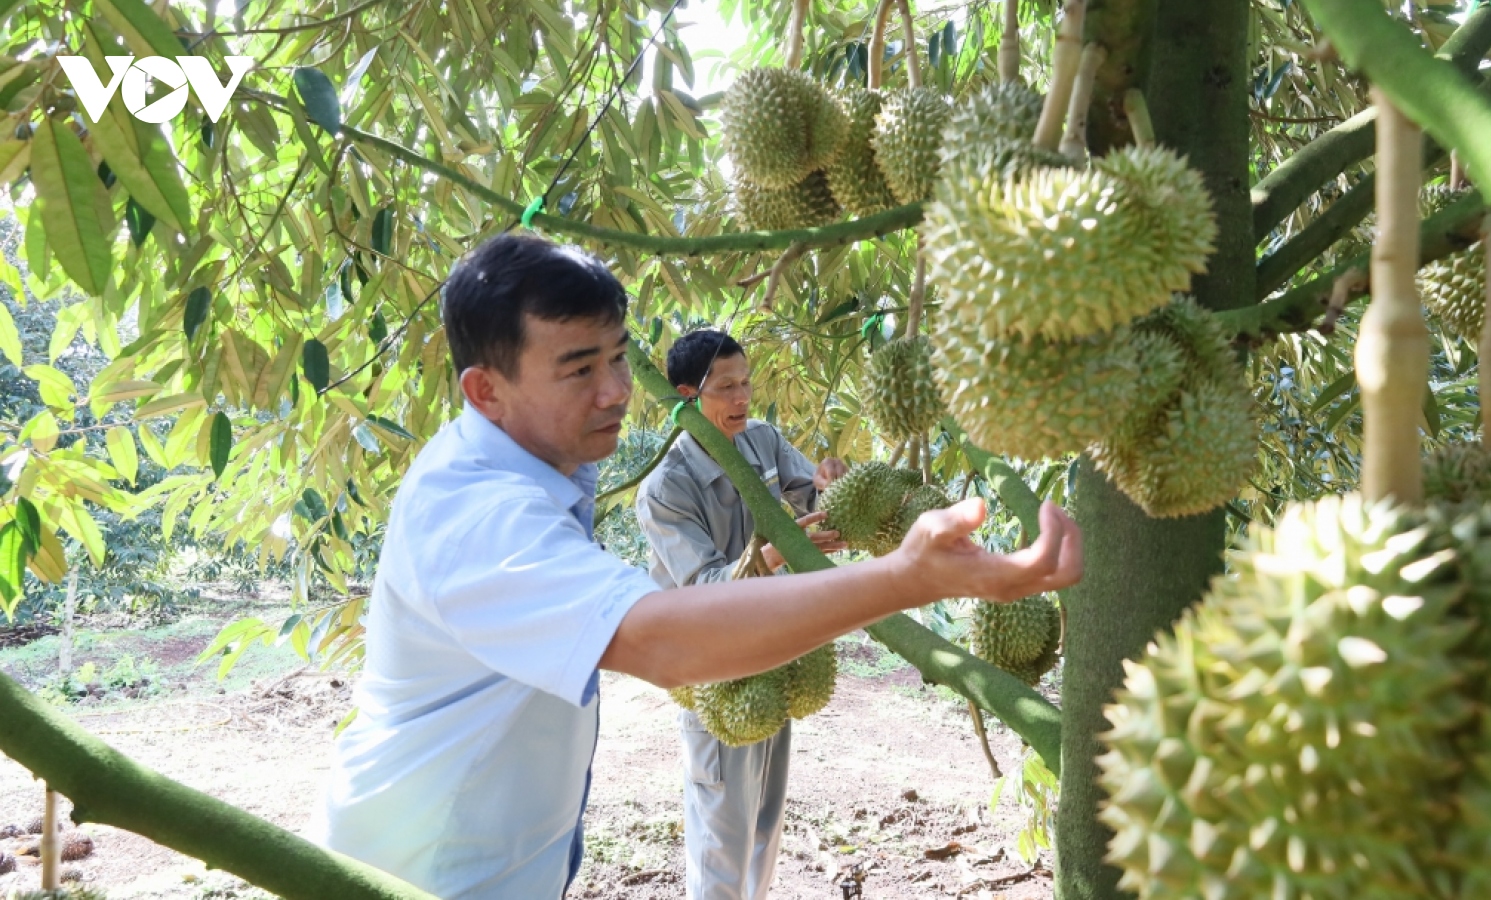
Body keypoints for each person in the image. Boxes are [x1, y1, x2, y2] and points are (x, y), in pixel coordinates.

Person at [311, 232, 1083, 900]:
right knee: (721, 828)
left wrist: (838, 497)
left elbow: (804, 493)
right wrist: (905, 578)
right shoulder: (477, 514)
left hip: (500, 858)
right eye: (580, 370)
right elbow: (659, 641)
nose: (616, 391)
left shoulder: (541, 464)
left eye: (618, 357)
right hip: (420, 873)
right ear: (486, 391)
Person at [635, 329, 847, 900]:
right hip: (714, 671)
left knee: (763, 826)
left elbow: (821, 506)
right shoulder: (664, 490)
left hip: (774, 652)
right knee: (721, 836)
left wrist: (834, 485)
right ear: (687, 394)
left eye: (746, 382)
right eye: (725, 386)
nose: (742, 398)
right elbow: (704, 590)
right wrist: (774, 551)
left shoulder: (763, 442)